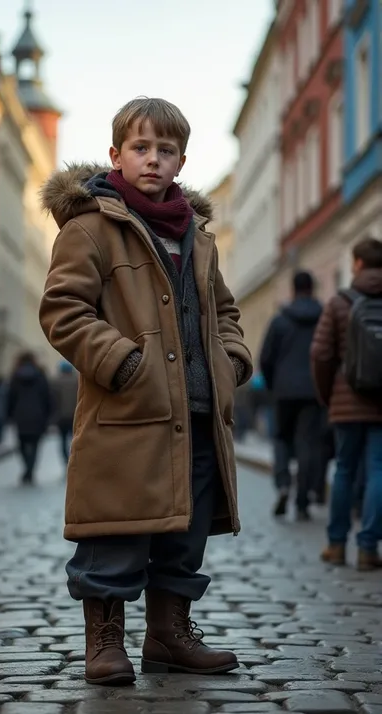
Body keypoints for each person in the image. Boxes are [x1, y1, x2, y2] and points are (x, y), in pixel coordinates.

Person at [39, 97, 253, 686]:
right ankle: (104, 641)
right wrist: (124, 363)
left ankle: (168, 632)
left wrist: (231, 360)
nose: (153, 159)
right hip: (127, 411)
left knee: (183, 534)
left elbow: (226, 311)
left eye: (165, 150)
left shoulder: (199, 238)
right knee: (116, 529)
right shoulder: (90, 228)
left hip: (201, 409)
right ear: (116, 155)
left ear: (181, 161)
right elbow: (63, 311)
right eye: (140, 148)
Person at [312, 237, 382, 571]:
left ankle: (337, 545)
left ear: (357, 264)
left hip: (345, 400)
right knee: (379, 471)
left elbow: (321, 354)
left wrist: (328, 395)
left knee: (344, 470)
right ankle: (369, 548)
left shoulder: (340, 302)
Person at [259, 271, 323, 520]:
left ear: (293, 289)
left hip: (284, 391)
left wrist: (275, 384)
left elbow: (265, 358)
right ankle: (303, 499)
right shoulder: (322, 318)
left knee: (281, 439)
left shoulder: (280, 321)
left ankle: (284, 484)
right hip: (313, 390)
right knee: (308, 443)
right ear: (312, 288)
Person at [7, 351, 52, 485]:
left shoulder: (15, 376)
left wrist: (9, 414)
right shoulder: (41, 376)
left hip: (20, 415)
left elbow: (11, 397)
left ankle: (27, 468)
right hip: (38, 415)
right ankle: (30, 470)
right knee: (35, 445)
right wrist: (48, 414)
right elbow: (47, 397)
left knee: (21, 444)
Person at [51, 360, 78, 464]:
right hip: (74, 416)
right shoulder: (77, 381)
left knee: (62, 440)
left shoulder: (55, 382)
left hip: (60, 417)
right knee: (75, 440)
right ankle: (74, 459)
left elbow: (52, 400)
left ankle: (66, 460)